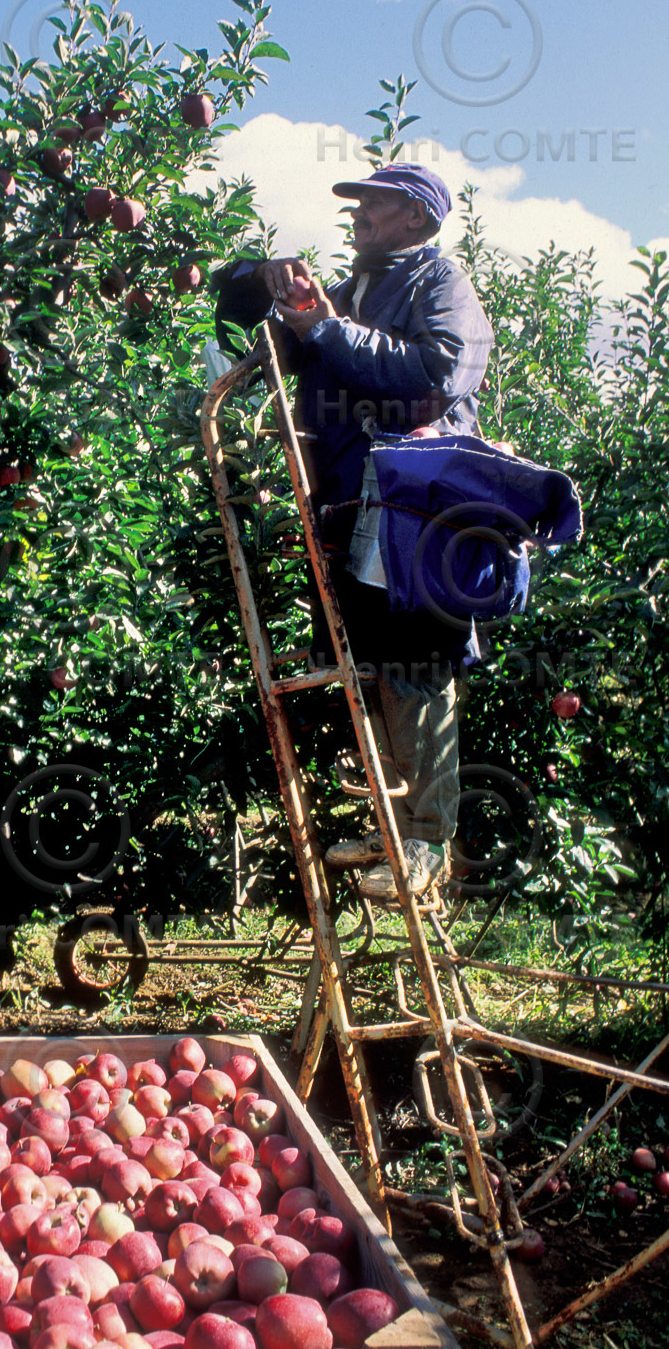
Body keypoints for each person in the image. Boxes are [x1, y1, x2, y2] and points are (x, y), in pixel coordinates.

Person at [211, 164, 494, 902]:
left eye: (376, 203)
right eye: (359, 203)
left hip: (416, 503)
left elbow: (436, 373)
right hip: (348, 508)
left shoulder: (441, 284)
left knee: (419, 663)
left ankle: (429, 840)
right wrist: (258, 280)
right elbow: (278, 344)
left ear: (416, 219)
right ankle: (393, 824)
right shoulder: (351, 288)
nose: (360, 214)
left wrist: (328, 329)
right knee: (366, 665)